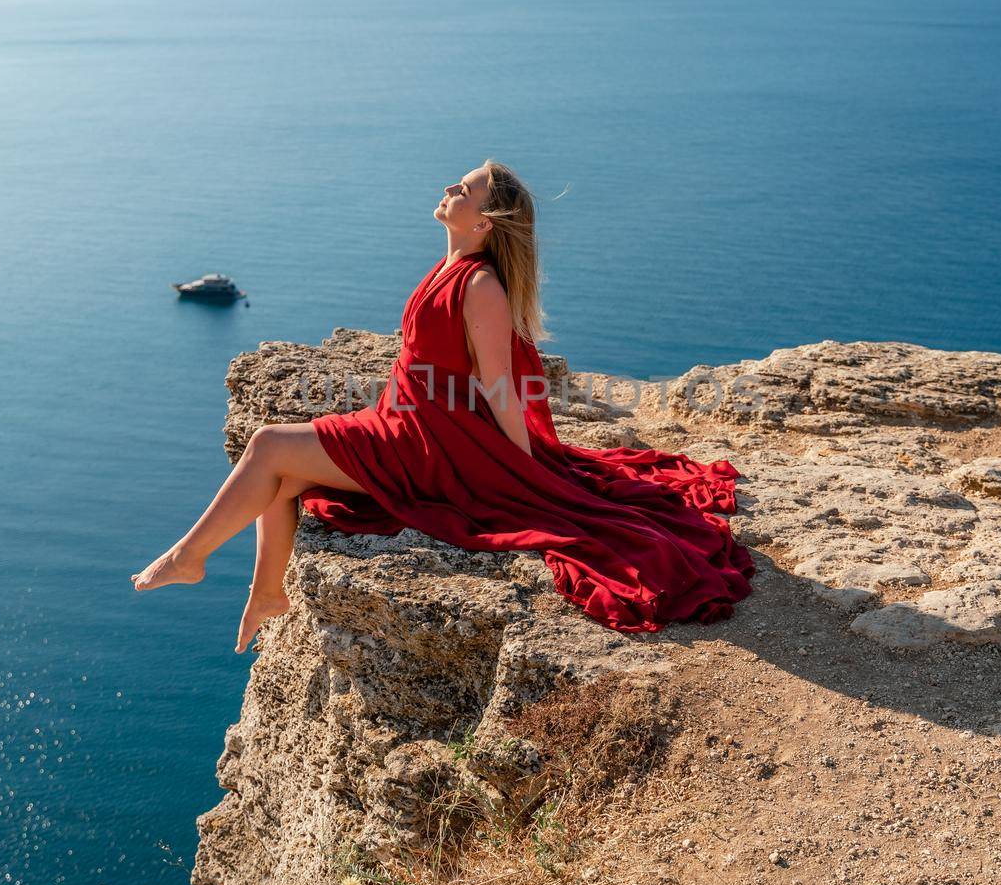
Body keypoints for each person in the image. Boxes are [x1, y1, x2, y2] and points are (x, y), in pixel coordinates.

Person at [131, 160, 754, 652]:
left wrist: (523, 472)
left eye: (466, 188)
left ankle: (190, 557)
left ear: (484, 222)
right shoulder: (449, 264)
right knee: (284, 473)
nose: (450, 188)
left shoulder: (481, 286)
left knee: (269, 446)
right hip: (401, 420)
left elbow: (500, 385)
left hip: (429, 440)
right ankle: (266, 592)